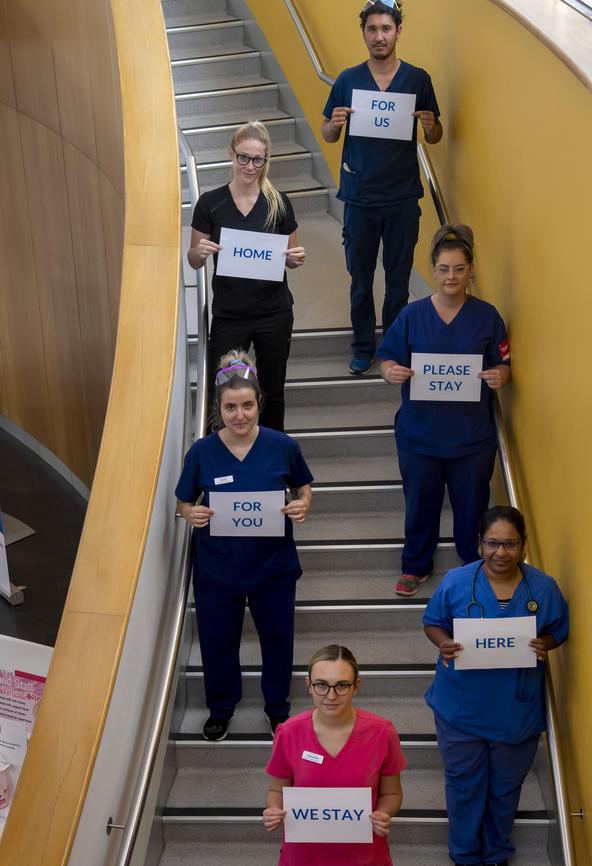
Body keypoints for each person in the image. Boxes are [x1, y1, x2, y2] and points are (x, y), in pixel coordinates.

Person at [175, 351, 313, 741]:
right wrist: (189, 514)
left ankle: (277, 709)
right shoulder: (202, 452)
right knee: (218, 642)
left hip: (274, 569)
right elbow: (184, 499)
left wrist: (303, 505)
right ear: (218, 408)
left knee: (277, 640)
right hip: (218, 571)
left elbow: (304, 487)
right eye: (230, 407)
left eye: (247, 406)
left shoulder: (282, 445)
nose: (240, 415)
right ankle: (221, 707)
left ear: (259, 404)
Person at [422, 506, 569, 866]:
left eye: (509, 544)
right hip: (461, 707)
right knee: (464, 786)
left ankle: (496, 851)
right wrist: (443, 643)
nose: (500, 552)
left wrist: (543, 645)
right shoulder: (456, 582)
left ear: (523, 545)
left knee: (505, 789)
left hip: (515, 710)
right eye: (492, 543)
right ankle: (465, 853)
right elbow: (433, 623)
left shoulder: (543, 587)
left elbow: (558, 632)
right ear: (479, 544)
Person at [376, 224, 511, 597]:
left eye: (459, 268)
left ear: (470, 271)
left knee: (472, 507)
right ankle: (416, 564)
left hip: (471, 438)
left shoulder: (487, 317)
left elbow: (502, 362)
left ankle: (472, 567)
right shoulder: (412, 316)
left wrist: (500, 374)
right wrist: (391, 372)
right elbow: (387, 357)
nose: (451, 276)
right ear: (433, 270)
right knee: (420, 503)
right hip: (420, 436)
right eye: (443, 268)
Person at [322, 0, 443, 375]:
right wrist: (336, 122)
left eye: (385, 29)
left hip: (403, 197)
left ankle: (391, 346)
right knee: (360, 280)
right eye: (372, 29)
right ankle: (362, 346)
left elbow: (436, 135)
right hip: (359, 197)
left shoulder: (418, 80)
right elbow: (327, 133)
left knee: (397, 280)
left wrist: (428, 126)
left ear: (398, 32)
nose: (379, 36)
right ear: (364, 34)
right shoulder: (347, 80)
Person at [188, 121, 306, 431]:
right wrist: (199, 252)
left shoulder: (278, 203)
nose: (250, 166)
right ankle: (225, 455)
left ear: (266, 161)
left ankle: (272, 456)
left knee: (272, 390)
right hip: (230, 314)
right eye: (243, 157)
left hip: (274, 313)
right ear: (231, 153)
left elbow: (292, 258)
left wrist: (296, 258)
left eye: (258, 160)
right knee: (224, 389)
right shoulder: (210, 203)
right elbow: (193, 260)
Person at [262, 644, 406, 866]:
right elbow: (276, 789)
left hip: (364, 856)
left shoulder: (381, 732)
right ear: (308, 685)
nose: (331, 695)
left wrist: (383, 813)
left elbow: (392, 794)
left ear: (356, 686)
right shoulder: (289, 732)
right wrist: (273, 810)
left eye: (342, 685)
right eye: (321, 685)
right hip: (303, 856)